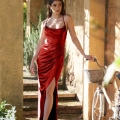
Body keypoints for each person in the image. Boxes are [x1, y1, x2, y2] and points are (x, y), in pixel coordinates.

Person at [30, 0, 94, 120]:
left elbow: (74, 38)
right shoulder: (45, 23)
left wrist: (84, 54)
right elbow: (40, 42)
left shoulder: (67, 19)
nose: (58, 7)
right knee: (44, 91)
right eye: (54, 5)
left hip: (57, 58)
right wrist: (33, 60)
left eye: (60, 5)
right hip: (43, 58)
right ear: (50, 6)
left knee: (49, 89)